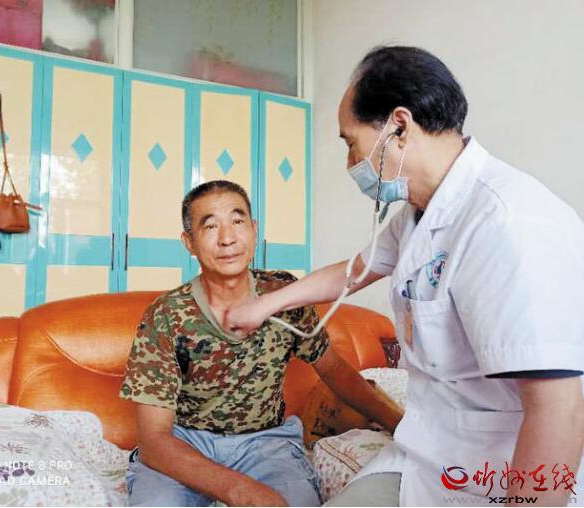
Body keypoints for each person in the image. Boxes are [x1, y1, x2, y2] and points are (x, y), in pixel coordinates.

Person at [225, 46, 584, 507]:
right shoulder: (420, 213)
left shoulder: (507, 222)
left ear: (398, 126)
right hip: (427, 458)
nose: (351, 163)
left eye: (351, 143)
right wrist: (264, 304)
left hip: (498, 475)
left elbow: (560, 409)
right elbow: (355, 270)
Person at [119, 179, 403, 507]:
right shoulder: (167, 315)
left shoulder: (283, 294)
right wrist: (237, 489)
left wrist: (399, 424)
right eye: (210, 226)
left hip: (267, 445)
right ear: (189, 242)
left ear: (254, 230)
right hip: (185, 444)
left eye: (237, 221)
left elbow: (335, 370)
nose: (227, 238)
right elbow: (154, 440)